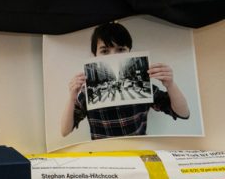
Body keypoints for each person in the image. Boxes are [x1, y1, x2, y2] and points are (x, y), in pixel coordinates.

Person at [61, 21, 191, 140]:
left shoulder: (143, 86)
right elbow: (65, 130)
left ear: (129, 52)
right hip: (103, 155)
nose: (113, 56)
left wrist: (170, 85)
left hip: (137, 151)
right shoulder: (89, 92)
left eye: (121, 49)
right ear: (95, 55)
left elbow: (183, 113)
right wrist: (72, 96)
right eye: (105, 51)